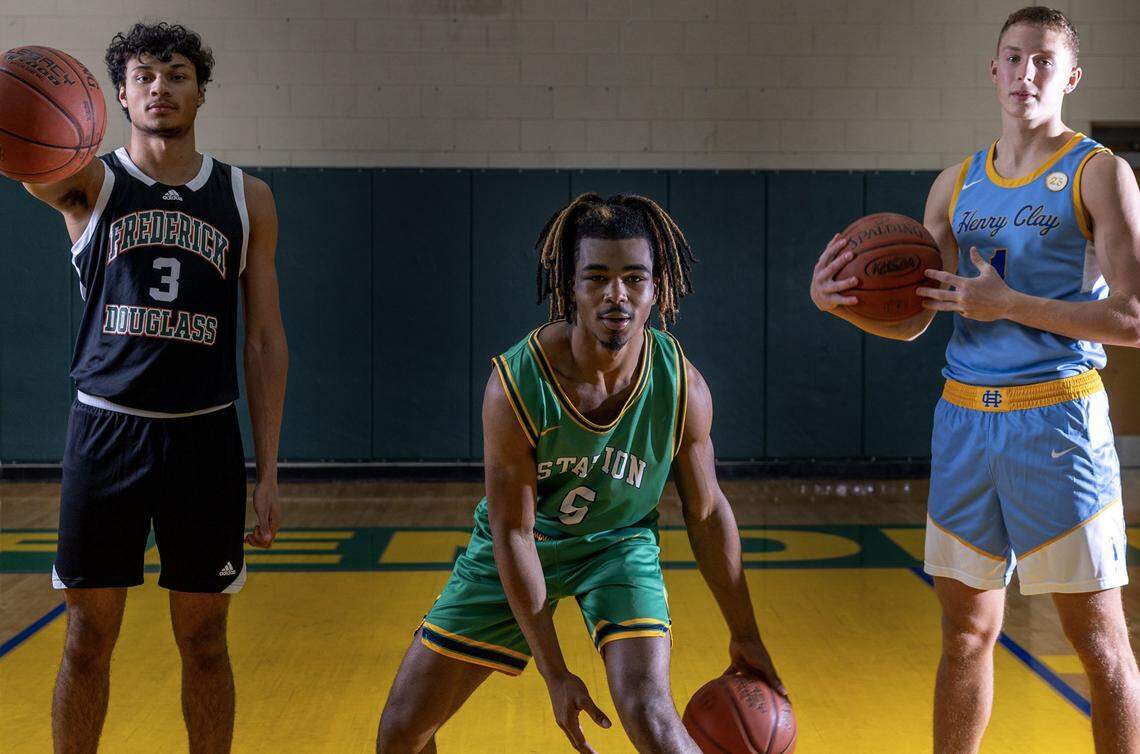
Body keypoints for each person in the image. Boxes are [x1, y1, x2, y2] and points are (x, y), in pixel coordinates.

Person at [810, 7, 1140, 752]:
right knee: (963, 635)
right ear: (993, 70)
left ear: (1071, 78)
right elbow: (915, 314)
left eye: (1044, 62)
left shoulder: (1100, 173)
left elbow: (1133, 319)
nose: (1027, 74)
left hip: (1057, 423)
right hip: (964, 423)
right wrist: (839, 303)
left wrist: (1012, 304)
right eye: (1014, 59)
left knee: (1099, 644)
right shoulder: (955, 183)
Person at [377, 193, 784, 754]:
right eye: (597, 277)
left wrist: (745, 633)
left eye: (634, 278)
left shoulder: (681, 385)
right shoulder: (516, 386)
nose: (617, 294)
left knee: (652, 715)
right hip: (528, 545)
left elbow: (708, 511)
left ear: (657, 288)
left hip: (618, 546)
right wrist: (555, 673)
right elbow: (513, 533)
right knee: (400, 734)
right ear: (569, 287)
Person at [15, 22, 289, 753]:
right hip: (105, 432)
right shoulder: (87, 180)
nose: (159, 88)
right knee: (87, 636)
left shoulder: (245, 196)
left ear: (201, 89)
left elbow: (263, 341)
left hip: (204, 435)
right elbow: (22, 154)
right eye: (142, 76)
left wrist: (267, 471)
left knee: (204, 640)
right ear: (120, 95)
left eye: (175, 74)